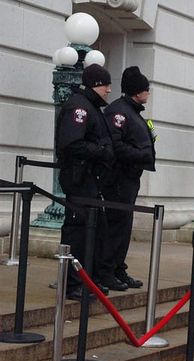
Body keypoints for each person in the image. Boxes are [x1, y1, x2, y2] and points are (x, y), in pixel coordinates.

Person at [56, 64, 116, 300]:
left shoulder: (90, 106)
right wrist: (101, 151)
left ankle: (86, 279)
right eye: (106, 85)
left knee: (92, 230)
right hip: (79, 178)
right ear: (95, 85)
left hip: (90, 178)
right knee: (77, 231)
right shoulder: (79, 107)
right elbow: (71, 143)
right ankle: (72, 283)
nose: (109, 90)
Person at [103, 66, 156, 289]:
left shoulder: (132, 111)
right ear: (137, 92)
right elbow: (115, 146)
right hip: (118, 179)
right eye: (147, 89)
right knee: (116, 226)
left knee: (124, 227)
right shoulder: (119, 112)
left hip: (129, 178)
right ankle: (107, 271)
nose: (149, 93)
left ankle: (117, 268)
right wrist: (141, 154)